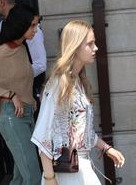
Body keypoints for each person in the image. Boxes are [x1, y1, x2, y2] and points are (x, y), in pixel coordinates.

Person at [31, 20, 125, 185]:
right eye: (90, 44)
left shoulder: (78, 82)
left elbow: (83, 131)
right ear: (74, 47)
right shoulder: (59, 84)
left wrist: (106, 148)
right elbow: (43, 134)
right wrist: (50, 179)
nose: (95, 48)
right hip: (66, 173)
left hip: (80, 168)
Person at [0, 4, 41, 185]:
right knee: (33, 176)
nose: (36, 30)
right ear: (21, 25)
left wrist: (30, 98)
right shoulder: (5, 50)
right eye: (32, 26)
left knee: (21, 176)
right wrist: (11, 95)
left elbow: (20, 78)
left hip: (26, 116)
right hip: (13, 118)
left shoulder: (20, 48)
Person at [0, 0, 47, 115]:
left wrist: (22, 88)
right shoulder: (5, 30)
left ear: (1, 1)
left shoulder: (30, 32)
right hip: (11, 101)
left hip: (27, 97)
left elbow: (40, 65)